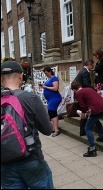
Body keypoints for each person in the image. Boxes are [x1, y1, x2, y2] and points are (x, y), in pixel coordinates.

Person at [1, 61, 54, 189]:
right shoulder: (30, 98)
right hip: (31, 159)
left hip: (4, 163)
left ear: (1, 79)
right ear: (21, 76)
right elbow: (48, 130)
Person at [70, 81, 103, 157]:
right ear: (80, 85)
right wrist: (89, 110)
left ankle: (92, 149)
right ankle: (102, 136)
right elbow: (94, 99)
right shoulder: (89, 89)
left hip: (97, 109)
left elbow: (83, 106)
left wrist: (83, 114)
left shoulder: (78, 93)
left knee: (87, 128)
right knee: (95, 120)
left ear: (74, 90)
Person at [73, 59, 95, 136]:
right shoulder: (85, 72)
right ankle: (83, 130)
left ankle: (83, 129)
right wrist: (93, 90)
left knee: (84, 112)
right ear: (89, 65)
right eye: (92, 65)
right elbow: (86, 84)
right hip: (83, 95)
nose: (93, 67)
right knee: (84, 112)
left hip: (79, 94)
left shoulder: (82, 70)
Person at [39, 66, 63, 137]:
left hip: (55, 98)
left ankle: (56, 130)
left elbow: (55, 88)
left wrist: (45, 87)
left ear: (50, 72)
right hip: (50, 99)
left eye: (46, 73)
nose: (45, 74)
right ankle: (54, 127)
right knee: (52, 113)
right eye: (45, 73)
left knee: (52, 112)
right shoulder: (49, 79)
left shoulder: (54, 78)